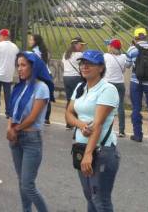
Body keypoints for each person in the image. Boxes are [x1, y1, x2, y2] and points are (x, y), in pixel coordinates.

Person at [65, 50, 120, 212]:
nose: (85, 66)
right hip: (81, 149)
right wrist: (81, 124)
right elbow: (68, 113)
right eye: (83, 63)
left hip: (100, 151)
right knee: (90, 197)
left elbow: (98, 124)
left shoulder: (107, 89)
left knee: (100, 200)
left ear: (101, 68)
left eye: (90, 63)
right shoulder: (80, 87)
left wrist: (88, 154)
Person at [7, 52, 53, 212]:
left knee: (28, 184)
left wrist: (15, 129)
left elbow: (33, 117)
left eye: (23, 65)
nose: (19, 69)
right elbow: (11, 112)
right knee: (21, 182)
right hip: (15, 138)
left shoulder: (41, 88)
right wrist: (9, 129)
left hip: (31, 139)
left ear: (34, 67)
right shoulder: (19, 87)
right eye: (18, 65)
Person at [0, 28, 20, 118]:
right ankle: (9, 113)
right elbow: (18, 59)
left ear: (5, 36)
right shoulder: (15, 47)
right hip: (9, 74)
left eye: (0, 36)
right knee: (8, 94)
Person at [29, 34, 54, 125]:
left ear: (35, 41)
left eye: (31, 39)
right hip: (47, 74)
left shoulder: (35, 51)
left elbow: (34, 64)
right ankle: (46, 118)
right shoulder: (44, 50)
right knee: (46, 96)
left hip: (40, 75)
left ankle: (35, 116)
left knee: (36, 96)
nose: (29, 41)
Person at [104, 39, 127, 137]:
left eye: (109, 45)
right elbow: (124, 69)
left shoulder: (106, 56)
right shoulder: (124, 57)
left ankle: (107, 129)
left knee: (106, 106)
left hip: (109, 84)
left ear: (112, 47)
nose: (107, 47)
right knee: (120, 106)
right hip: (120, 83)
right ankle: (121, 130)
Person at [62, 37, 86, 128]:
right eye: (81, 45)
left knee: (69, 100)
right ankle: (76, 122)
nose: (83, 47)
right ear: (76, 44)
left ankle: (68, 123)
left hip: (66, 77)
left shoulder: (65, 54)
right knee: (77, 100)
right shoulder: (79, 55)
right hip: (76, 78)